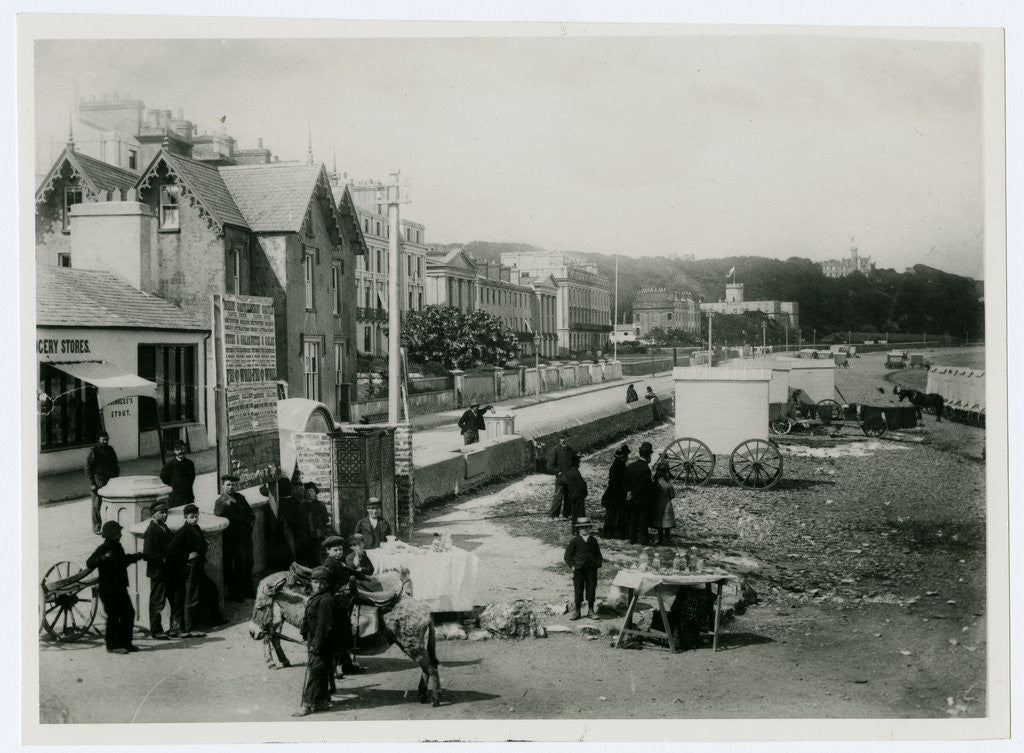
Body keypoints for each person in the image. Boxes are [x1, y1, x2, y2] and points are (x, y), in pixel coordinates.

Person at [167, 504, 226, 637]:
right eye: (192, 517)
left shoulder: (196, 528)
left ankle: (215, 620)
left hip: (199, 567)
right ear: (185, 517)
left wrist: (204, 543)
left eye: (196, 516)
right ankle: (190, 627)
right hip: (191, 569)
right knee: (191, 597)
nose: (195, 519)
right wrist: (187, 556)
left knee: (212, 590)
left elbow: (199, 542)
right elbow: (171, 550)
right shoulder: (183, 531)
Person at [86, 520, 144, 653]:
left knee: (129, 613)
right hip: (108, 589)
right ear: (111, 535)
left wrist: (138, 556)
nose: (121, 535)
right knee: (114, 616)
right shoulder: (104, 548)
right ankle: (112, 646)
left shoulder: (118, 547)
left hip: (120, 588)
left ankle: (126, 643)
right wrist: (103, 558)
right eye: (118, 532)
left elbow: (122, 561)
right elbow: (89, 563)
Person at [320, 536, 366, 679]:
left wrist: (363, 576)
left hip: (344, 597)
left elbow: (350, 573)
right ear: (328, 551)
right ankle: (336, 667)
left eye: (340, 549)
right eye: (335, 550)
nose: (339, 552)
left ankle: (346, 663)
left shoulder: (339, 562)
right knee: (339, 633)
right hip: (336, 601)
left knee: (345, 632)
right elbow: (326, 586)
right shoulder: (329, 565)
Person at [292, 566, 334, 717]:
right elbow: (308, 617)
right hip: (314, 638)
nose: (319, 585)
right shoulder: (316, 596)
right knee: (319, 670)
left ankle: (307, 705)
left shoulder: (326, 599)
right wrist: (305, 633)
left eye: (322, 583)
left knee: (315, 670)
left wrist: (316, 645)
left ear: (328, 584)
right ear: (312, 583)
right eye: (315, 582)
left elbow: (324, 626)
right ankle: (322, 702)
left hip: (323, 642)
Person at [213, 475, 256, 600]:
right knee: (239, 564)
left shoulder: (240, 498)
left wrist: (249, 524)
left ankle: (248, 589)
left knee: (249, 562)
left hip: (245, 537)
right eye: (228, 485)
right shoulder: (220, 502)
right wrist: (228, 506)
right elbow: (219, 516)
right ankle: (236, 592)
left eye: (233, 485)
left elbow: (250, 514)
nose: (231, 487)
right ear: (223, 486)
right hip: (232, 539)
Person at [142, 502, 177, 639]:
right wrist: (163, 560)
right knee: (157, 603)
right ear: (153, 514)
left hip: (167, 571)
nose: (165, 515)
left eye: (166, 512)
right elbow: (147, 554)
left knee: (174, 599)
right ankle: (156, 631)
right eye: (162, 512)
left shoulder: (164, 527)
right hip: (158, 573)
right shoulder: (150, 531)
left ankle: (175, 628)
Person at [563, 517, 603, 621]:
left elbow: (599, 555)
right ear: (578, 529)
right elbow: (567, 556)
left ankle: (591, 610)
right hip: (579, 569)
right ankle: (577, 611)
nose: (584, 529)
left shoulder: (593, 541)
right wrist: (572, 566)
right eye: (581, 528)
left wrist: (597, 564)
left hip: (591, 569)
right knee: (578, 589)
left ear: (590, 528)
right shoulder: (575, 541)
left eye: (586, 527)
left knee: (591, 588)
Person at [85, 431, 120, 535]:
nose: (105, 441)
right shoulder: (94, 451)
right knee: (96, 505)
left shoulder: (110, 450)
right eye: (103, 439)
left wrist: (116, 478)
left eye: (106, 439)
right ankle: (97, 527)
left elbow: (115, 464)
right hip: (98, 480)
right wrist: (92, 483)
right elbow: (88, 468)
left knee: (112, 502)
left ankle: (113, 525)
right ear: (98, 440)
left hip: (110, 480)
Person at [623, 441, 656, 545]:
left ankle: (632, 539)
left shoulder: (630, 466)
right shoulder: (645, 469)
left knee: (633, 519)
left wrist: (628, 492)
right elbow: (644, 486)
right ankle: (643, 540)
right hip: (642, 499)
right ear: (648, 455)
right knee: (643, 521)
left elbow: (623, 482)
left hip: (631, 499)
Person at [601, 444, 630, 539]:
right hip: (617, 493)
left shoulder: (615, 465)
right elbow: (622, 481)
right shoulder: (621, 466)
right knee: (617, 514)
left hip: (611, 492)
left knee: (610, 514)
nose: (628, 458)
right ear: (623, 457)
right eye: (626, 456)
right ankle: (615, 533)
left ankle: (608, 533)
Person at [301, 482, 333, 566]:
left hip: (318, 535)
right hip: (306, 535)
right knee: (307, 556)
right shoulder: (302, 506)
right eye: (307, 491)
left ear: (315, 492)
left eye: (311, 491)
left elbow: (325, 520)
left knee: (318, 555)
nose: (309, 493)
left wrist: (319, 529)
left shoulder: (320, 505)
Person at [546, 433, 575, 519]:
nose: (563, 440)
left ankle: (567, 514)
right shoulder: (556, 450)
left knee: (569, 497)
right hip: (561, 478)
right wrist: (558, 472)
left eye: (565, 438)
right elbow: (549, 466)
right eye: (561, 438)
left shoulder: (570, 450)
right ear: (559, 440)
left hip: (569, 478)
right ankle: (553, 515)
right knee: (558, 497)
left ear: (567, 438)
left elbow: (574, 463)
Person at [159, 440, 196, 508]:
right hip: (175, 499)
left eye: (181, 449)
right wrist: (174, 487)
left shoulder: (190, 463)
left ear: (184, 449)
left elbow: (192, 478)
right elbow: (163, 479)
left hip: (188, 497)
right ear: (174, 451)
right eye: (177, 450)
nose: (180, 452)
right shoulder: (169, 465)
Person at [651, 461, 677, 545]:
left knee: (659, 523)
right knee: (667, 522)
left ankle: (660, 539)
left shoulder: (655, 483)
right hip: (667, 504)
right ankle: (667, 538)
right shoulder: (668, 485)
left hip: (657, 504)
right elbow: (672, 495)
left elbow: (653, 494)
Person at [563, 453, 588, 524]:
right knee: (580, 513)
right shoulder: (576, 472)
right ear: (576, 463)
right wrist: (585, 492)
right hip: (579, 495)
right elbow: (582, 484)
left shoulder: (568, 473)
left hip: (572, 495)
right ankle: (580, 528)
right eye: (579, 462)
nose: (579, 464)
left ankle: (574, 529)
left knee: (574, 513)